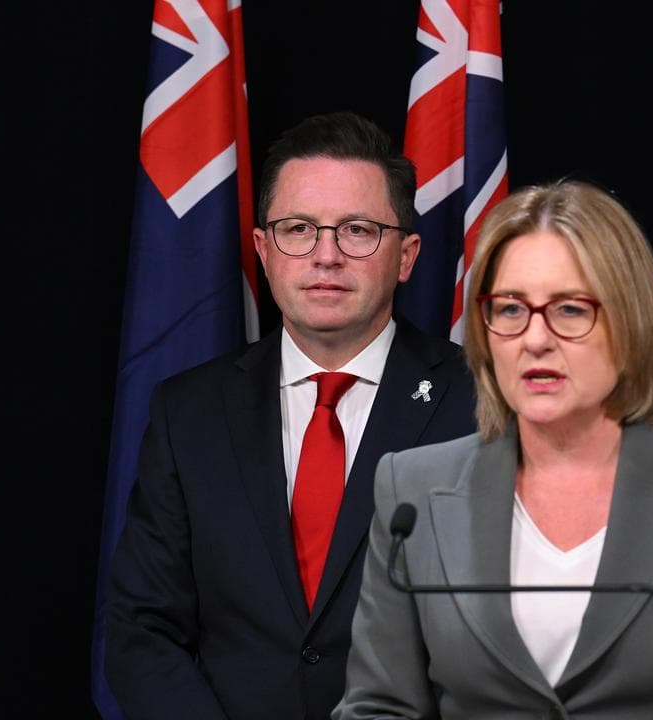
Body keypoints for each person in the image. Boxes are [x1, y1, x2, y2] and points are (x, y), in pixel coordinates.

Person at [334, 180, 653, 719]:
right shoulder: (412, 491)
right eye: (510, 309)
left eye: (569, 310)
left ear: (631, 322)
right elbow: (378, 708)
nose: (536, 338)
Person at [104, 111, 477, 719]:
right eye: (298, 228)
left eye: (357, 230)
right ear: (263, 250)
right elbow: (141, 629)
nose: (325, 255)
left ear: (406, 256)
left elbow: (507, 632)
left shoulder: (481, 405)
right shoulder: (188, 413)